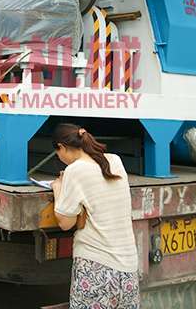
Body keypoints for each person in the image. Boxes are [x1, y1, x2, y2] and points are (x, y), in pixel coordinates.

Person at [51, 123, 139, 309]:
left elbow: (65, 223)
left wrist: (58, 188)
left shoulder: (75, 170)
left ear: (62, 147)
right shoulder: (115, 160)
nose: (59, 158)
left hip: (96, 270)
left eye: (57, 153)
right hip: (129, 271)